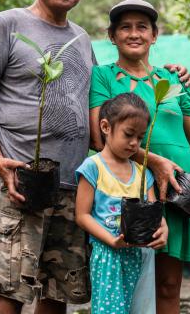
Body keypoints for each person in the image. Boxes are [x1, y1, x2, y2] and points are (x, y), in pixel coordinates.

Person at [0, 0, 190, 314]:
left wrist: (173, 73)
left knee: (58, 292)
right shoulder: (8, 24)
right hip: (20, 177)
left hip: (75, 184)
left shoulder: (81, 40)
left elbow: (103, 122)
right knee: (10, 288)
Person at [89, 0, 190, 314]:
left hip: (178, 192)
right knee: (127, 283)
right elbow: (97, 136)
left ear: (154, 35)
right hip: (129, 189)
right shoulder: (103, 77)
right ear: (112, 35)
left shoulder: (173, 80)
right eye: (125, 27)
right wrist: (155, 163)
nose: (134, 34)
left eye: (142, 27)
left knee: (168, 286)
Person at [75, 93, 168, 313]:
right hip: (108, 256)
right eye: (128, 134)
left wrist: (163, 228)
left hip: (140, 254)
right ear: (106, 127)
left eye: (140, 137)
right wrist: (111, 240)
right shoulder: (92, 167)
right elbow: (82, 215)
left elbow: (154, 213)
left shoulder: (143, 173)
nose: (135, 143)